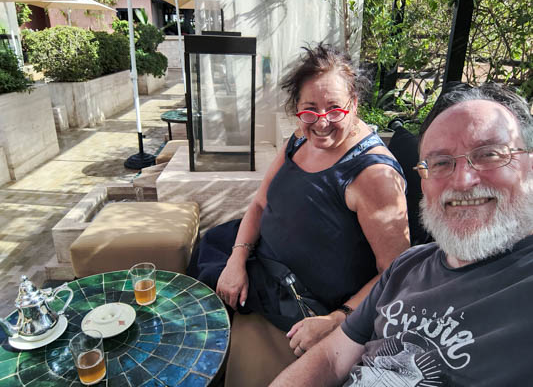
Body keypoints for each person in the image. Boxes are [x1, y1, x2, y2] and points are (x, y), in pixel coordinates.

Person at [270, 82, 533, 386]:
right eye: (440, 162)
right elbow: (331, 359)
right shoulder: (407, 267)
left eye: (489, 154)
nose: (462, 180)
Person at [187, 42, 410, 356]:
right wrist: (236, 261)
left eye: (335, 108)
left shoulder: (374, 176)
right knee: (207, 250)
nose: (321, 122)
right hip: (259, 255)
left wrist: (336, 320)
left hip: (295, 293)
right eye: (310, 109)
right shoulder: (301, 137)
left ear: (355, 103)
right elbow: (261, 203)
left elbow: (396, 272)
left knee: (199, 303)